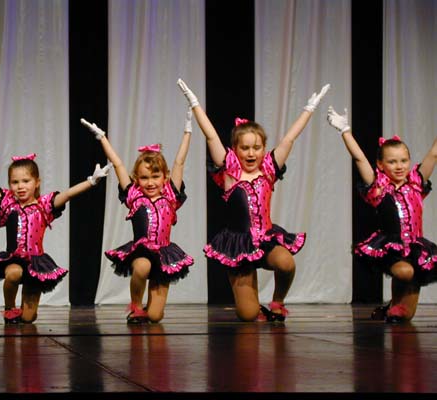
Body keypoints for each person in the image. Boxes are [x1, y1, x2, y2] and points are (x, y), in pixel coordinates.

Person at [177, 78, 330, 322]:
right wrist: (195, 104)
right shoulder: (229, 172)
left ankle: (277, 302)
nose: (251, 153)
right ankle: (252, 302)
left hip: (266, 238)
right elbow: (211, 137)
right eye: (245, 148)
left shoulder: (268, 169)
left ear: (264, 148)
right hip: (239, 244)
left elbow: (289, 139)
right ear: (235, 149)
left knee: (286, 263)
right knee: (248, 315)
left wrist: (309, 109)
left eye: (256, 148)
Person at [0, 151, 110, 324]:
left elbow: (69, 194)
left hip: (36, 262)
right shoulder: (7, 203)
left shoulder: (45, 205)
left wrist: (91, 181)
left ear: (37, 182)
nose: (20, 186)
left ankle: (26, 312)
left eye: (26, 181)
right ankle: (10, 308)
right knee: (14, 273)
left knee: (28, 318)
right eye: (15, 182)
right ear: (9, 184)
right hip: (14, 259)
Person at [81, 110, 194, 324]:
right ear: (136, 178)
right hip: (142, 251)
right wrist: (102, 137)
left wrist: (188, 130)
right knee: (142, 266)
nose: (150, 182)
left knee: (155, 317)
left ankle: (151, 309)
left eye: (155, 176)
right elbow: (118, 164)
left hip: (164, 253)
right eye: (144, 177)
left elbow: (179, 162)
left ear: (165, 177)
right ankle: (136, 306)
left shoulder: (171, 195)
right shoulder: (134, 195)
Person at [327, 106, 437, 323]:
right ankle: (393, 307)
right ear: (380, 164)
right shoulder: (379, 188)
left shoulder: (416, 183)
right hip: (391, 248)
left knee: (406, 316)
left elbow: (434, 153)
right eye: (392, 162)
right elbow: (359, 159)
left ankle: (389, 309)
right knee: (405, 272)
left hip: (415, 248)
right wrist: (345, 131)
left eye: (403, 161)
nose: (399, 166)